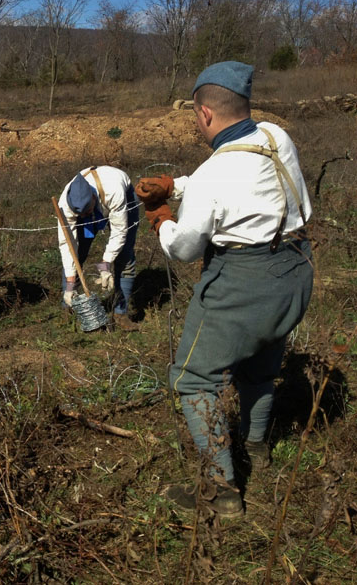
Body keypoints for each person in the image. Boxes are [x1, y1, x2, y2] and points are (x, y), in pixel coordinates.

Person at [136, 61, 313, 517]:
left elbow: (184, 248)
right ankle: (256, 447)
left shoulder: (215, 173)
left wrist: (160, 218)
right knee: (260, 364)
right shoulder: (276, 136)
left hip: (243, 282)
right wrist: (177, 185)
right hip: (295, 270)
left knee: (194, 378)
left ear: (204, 114)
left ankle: (222, 493)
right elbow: (243, 175)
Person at [56, 165, 140, 331]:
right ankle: (68, 308)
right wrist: (70, 284)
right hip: (93, 204)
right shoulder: (65, 205)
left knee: (125, 255)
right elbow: (67, 245)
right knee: (77, 254)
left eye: (87, 212)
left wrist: (105, 263)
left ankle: (120, 314)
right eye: (80, 215)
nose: (85, 217)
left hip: (125, 197)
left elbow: (119, 231)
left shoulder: (113, 190)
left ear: (94, 198)